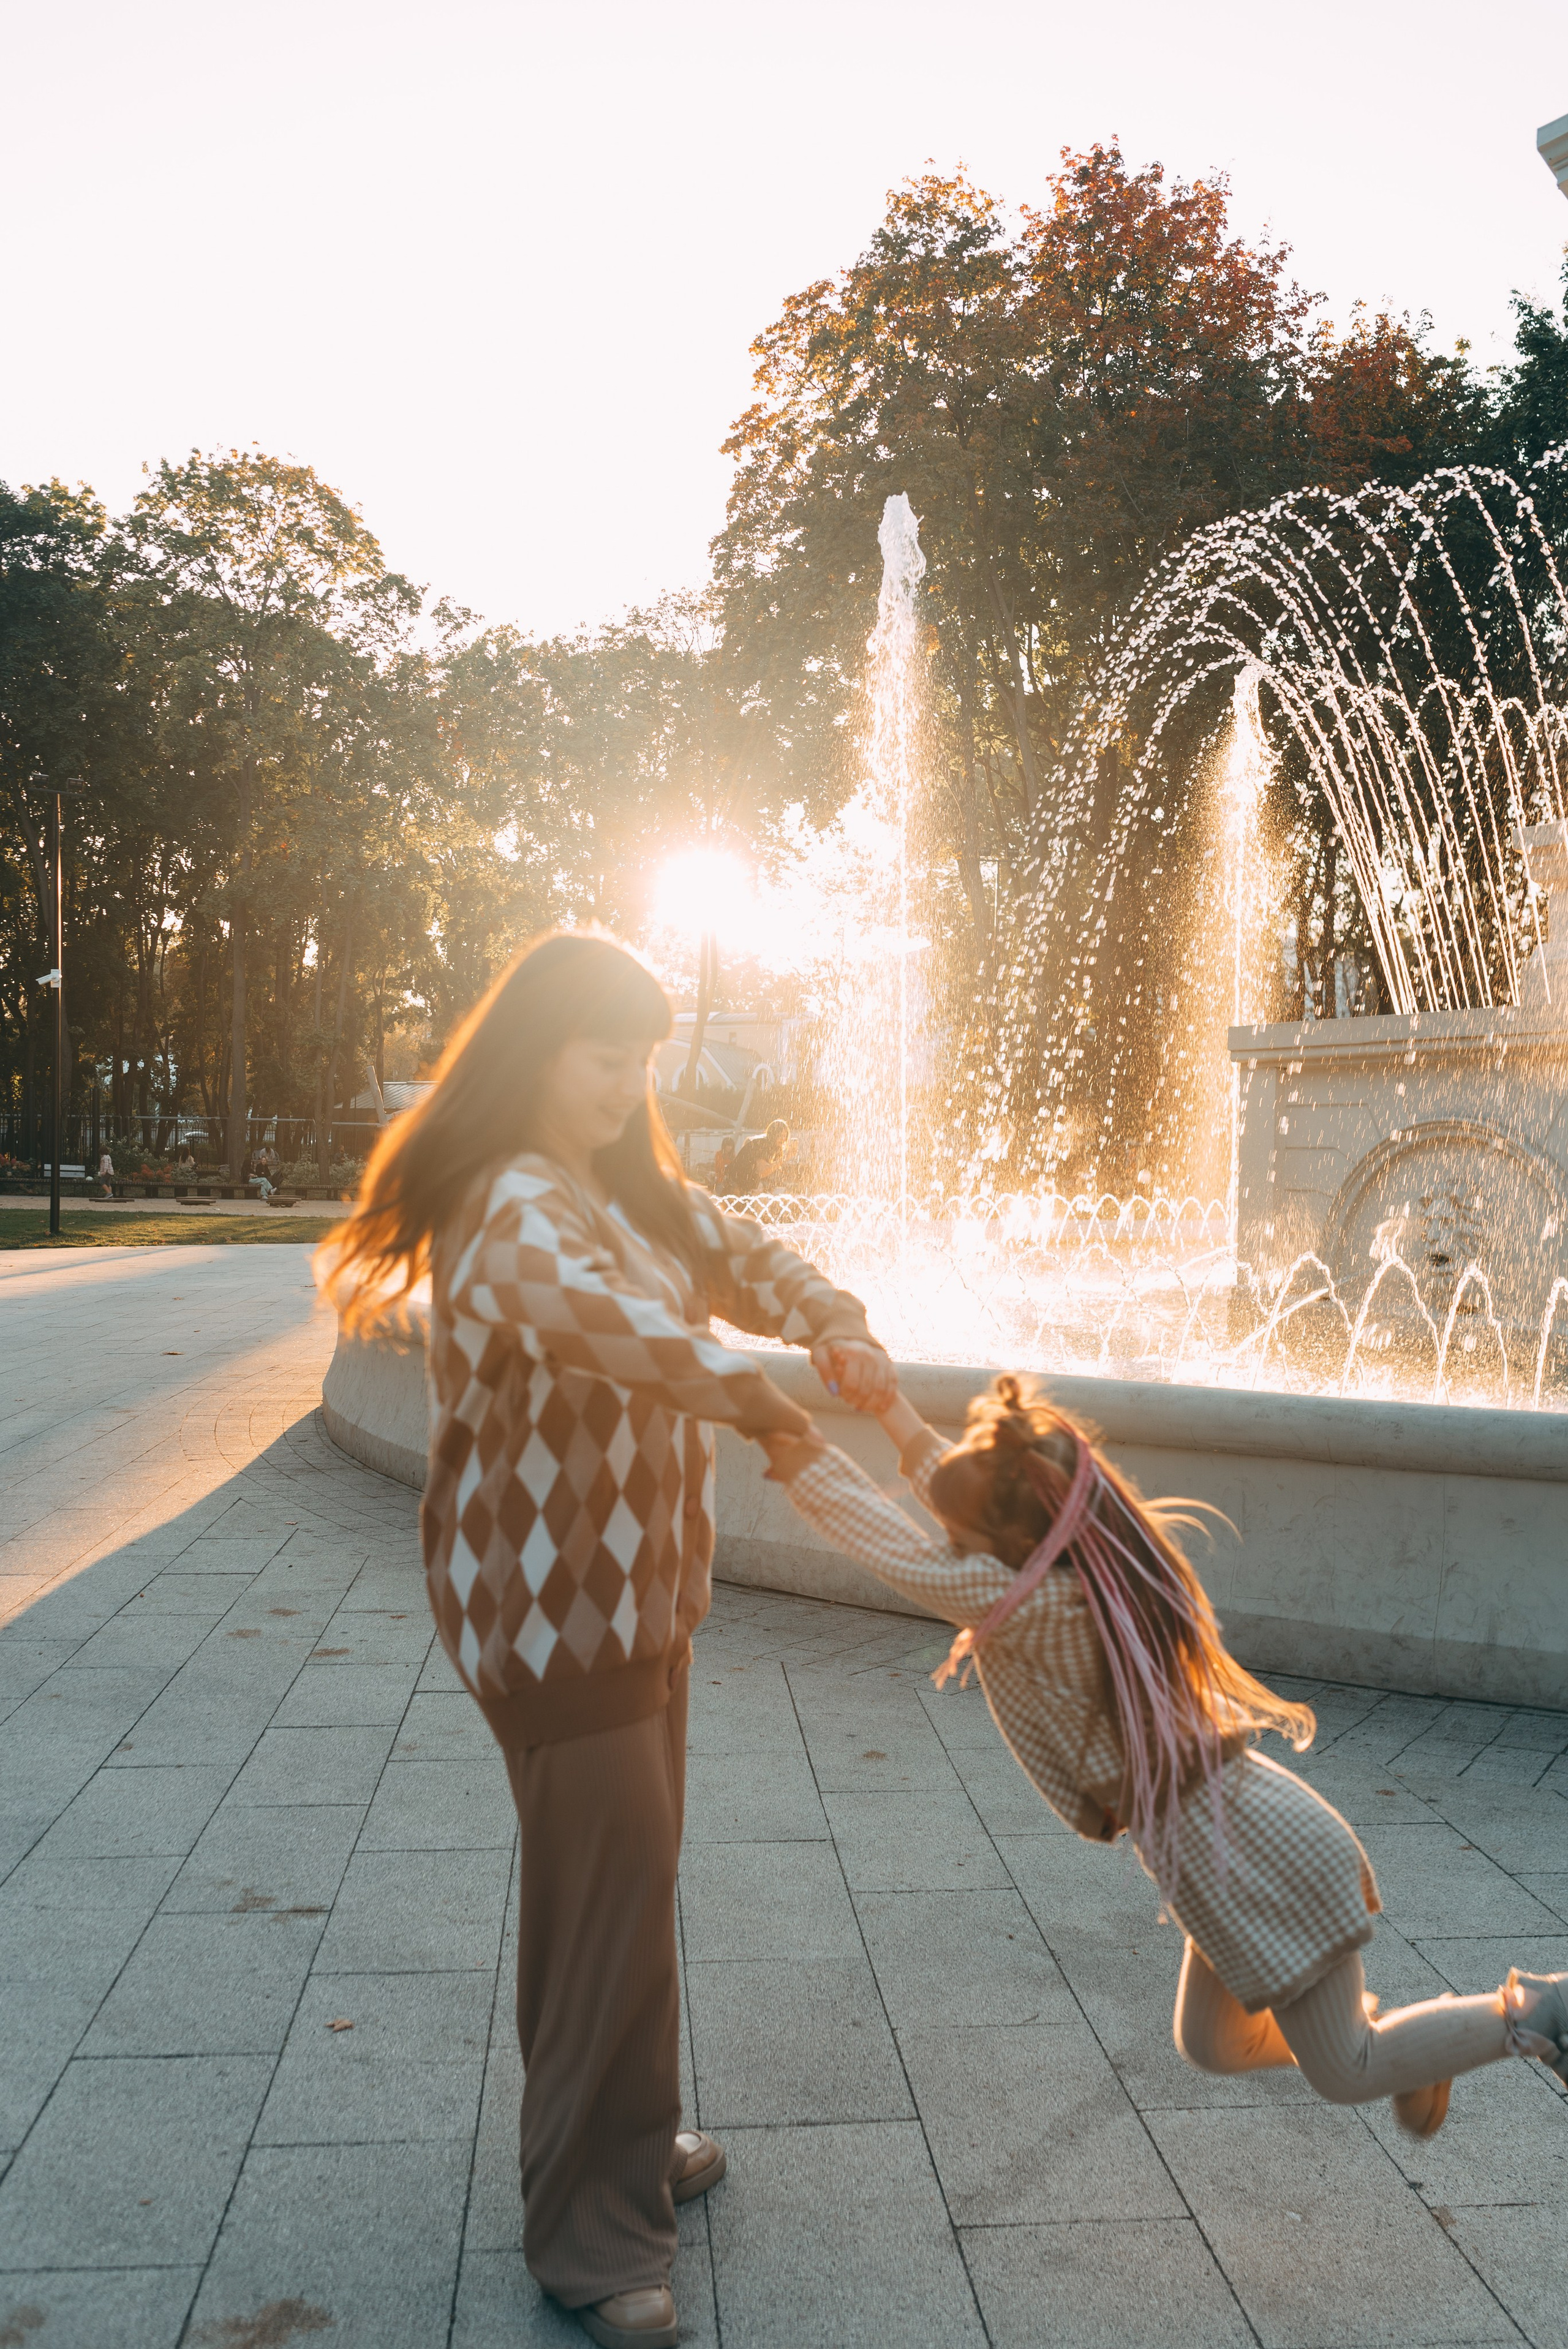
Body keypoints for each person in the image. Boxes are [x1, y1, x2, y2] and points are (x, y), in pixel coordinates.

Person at [320, 932, 891, 2349]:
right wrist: (755, 1395)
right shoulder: (508, 1201)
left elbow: (730, 1248)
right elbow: (612, 1327)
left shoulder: (615, 1180)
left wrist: (831, 1319)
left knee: (617, 1893)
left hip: (641, 1603)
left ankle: (628, 2139)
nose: (623, 1079)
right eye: (600, 1053)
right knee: (608, 1902)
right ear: (536, 1052)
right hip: (548, 1614)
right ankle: (586, 2234)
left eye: (640, 1056)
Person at [758, 1373, 1568, 2138]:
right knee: (1211, 2043)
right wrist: (891, 1404)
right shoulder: (1070, 1565)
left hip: (1253, 1847)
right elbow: (972, 1495)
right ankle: (1424, 2045)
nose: (951, 1552)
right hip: (1223, 1838)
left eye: (963, 1543)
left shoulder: (1039, 1603)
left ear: (1006, 1546)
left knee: (1348, 2069)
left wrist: (785, 1437)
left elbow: (892, 1550)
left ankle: (1541, 2013)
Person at [725, 1117, 788, 1196]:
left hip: (742, 1184)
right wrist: (786, 1157)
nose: (783, 1139)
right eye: (780, 1135)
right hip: (734, 1184)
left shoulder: (772, 1147)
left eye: (785, 1136)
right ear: (773, 1134)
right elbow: (762, 1171)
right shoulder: (763, 1144)